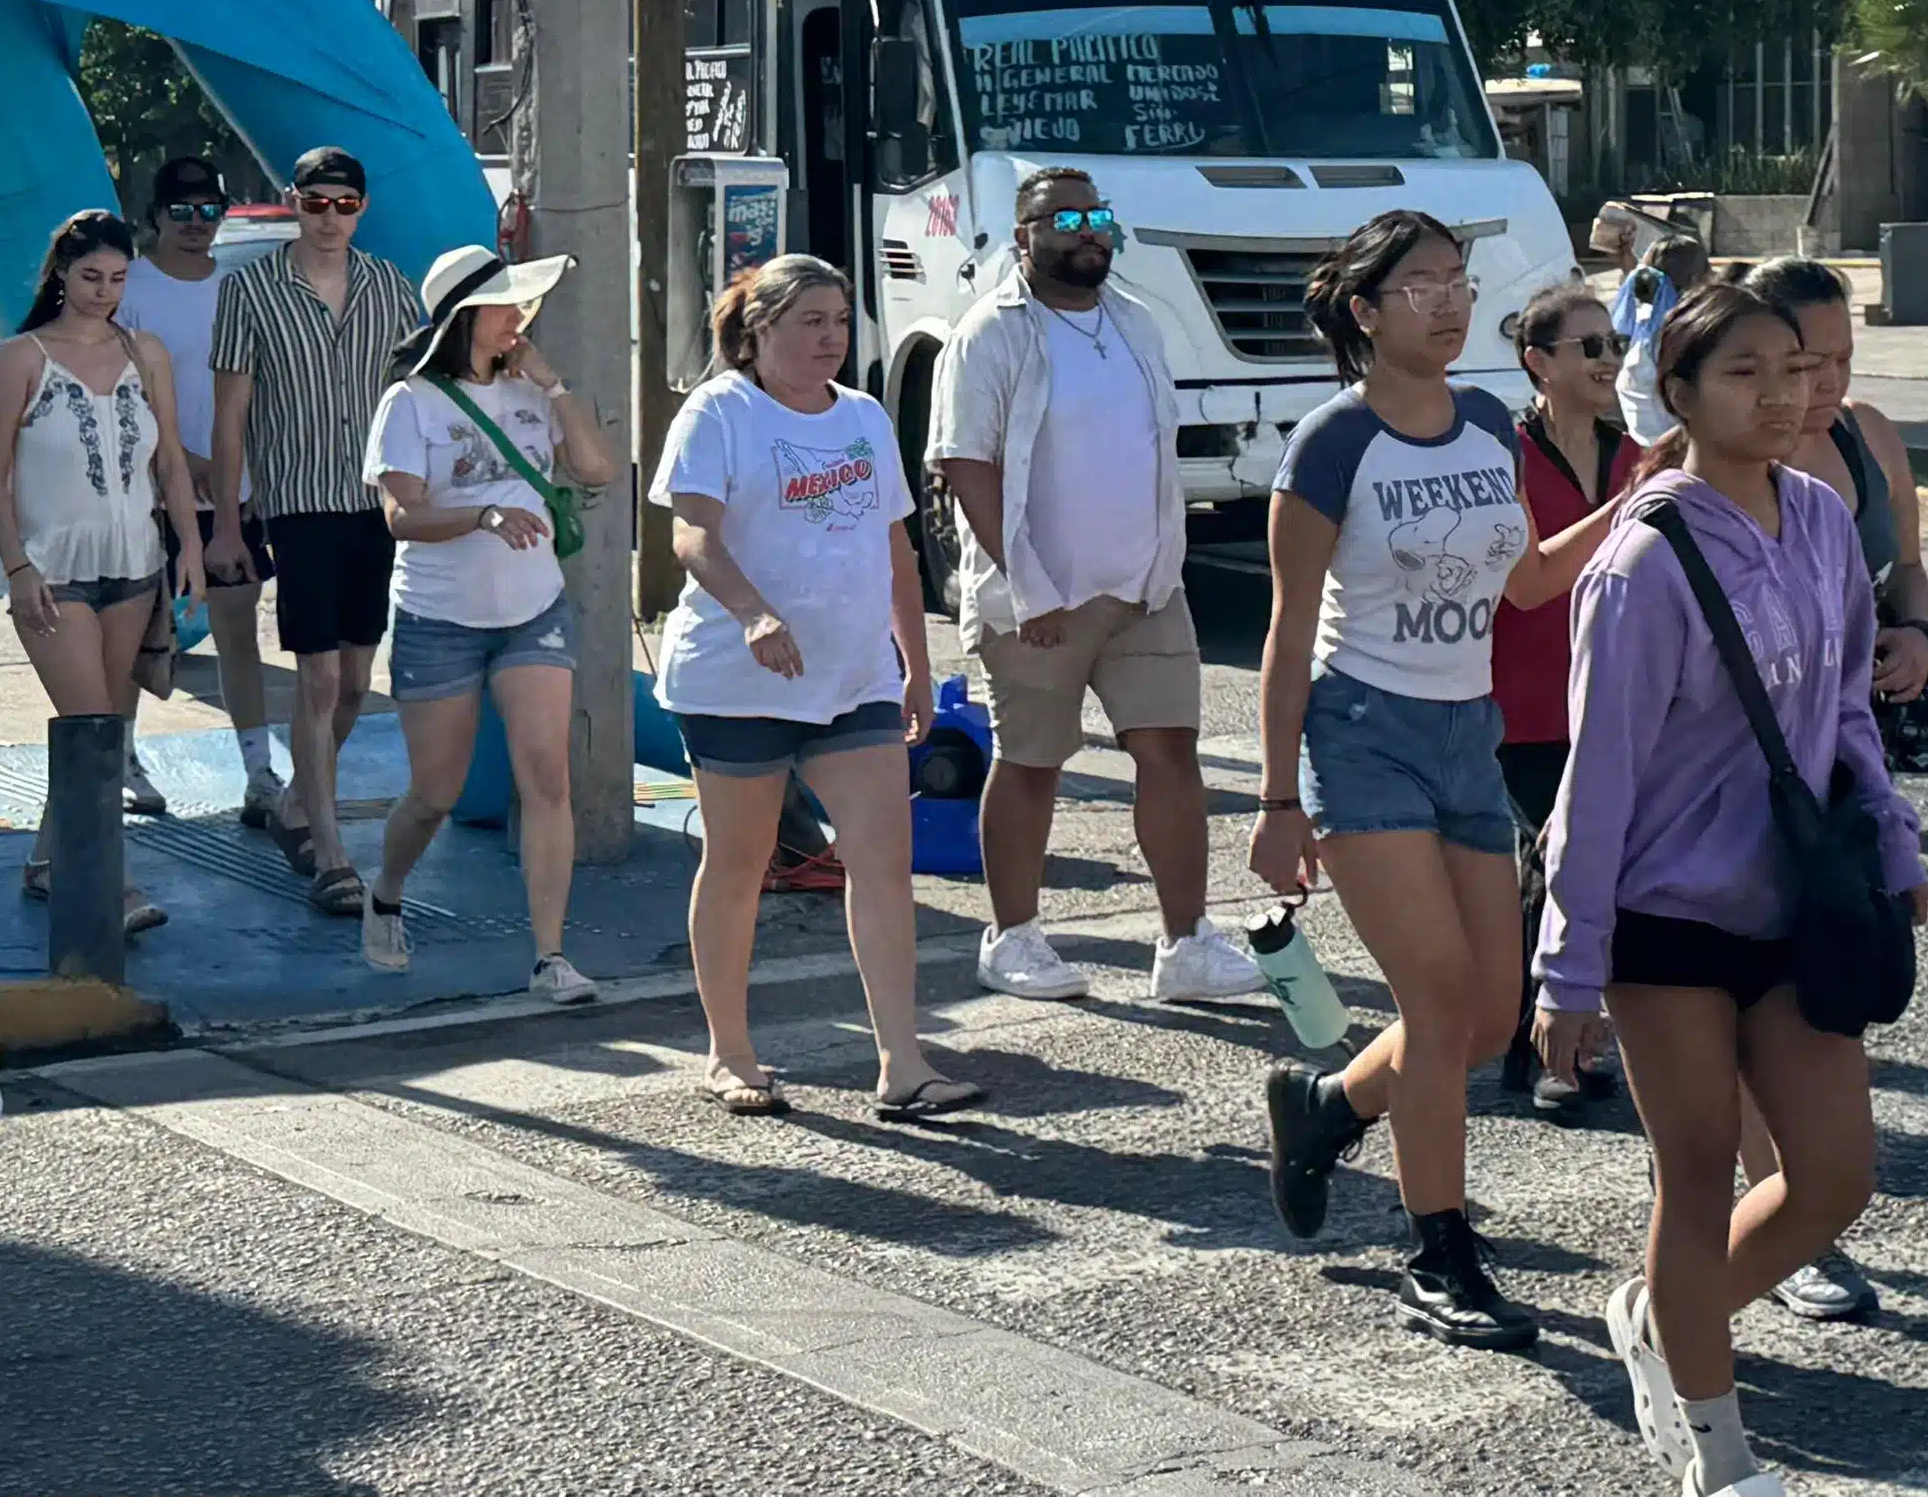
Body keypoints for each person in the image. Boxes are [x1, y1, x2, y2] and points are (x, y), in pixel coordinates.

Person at [1547, 280, 1928, 1497]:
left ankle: (1663, 1318)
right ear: (1677, 395)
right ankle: (1718, 1454)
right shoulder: (1641, 561)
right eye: (1745, 374)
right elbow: (1593, 778)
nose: (1783, 395)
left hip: (1795, 902)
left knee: (1831, 1177)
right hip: (1663, 915)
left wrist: (1892, 843)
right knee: (1697, 1167)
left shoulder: (1821, 518)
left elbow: (1841, 716)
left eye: (1798, 368)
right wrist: (1566, 970)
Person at [1251, 210, 1612, 1349]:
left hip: (1468, 730)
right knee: (1436, 995)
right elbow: (1284, 626)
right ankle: (1439, 1252)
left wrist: (1645, 502)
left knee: (1482, 1015)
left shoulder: (1488, 423)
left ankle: (1326, 1106)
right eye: (1419, 287)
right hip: (1361, 735)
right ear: (1365, 313)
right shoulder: (1329, 444)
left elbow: (1525, 584)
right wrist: (1272, 801)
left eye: (1457, 283)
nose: (1449, 304)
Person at [650, 255, 976, 1119]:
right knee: (742, 862)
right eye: (809, 322)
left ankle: (903, 1065)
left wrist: (916, 662)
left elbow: (897, 550)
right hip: (739, 678)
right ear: (758, 331)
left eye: (838, 320)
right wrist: (754, 613)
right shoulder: (721, 411)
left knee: (884, 863)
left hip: (854, 675)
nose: (829, 338)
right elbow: (690, 535)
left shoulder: (865, 416)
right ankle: (731, 1053)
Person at [927, 169, 1262, 1006]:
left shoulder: (1138, 323)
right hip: (1039, 601)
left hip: (1145, 587)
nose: (1089, 232)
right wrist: (1027, 587)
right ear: (1023, 235)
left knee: (1171, 753)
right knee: (1033, 763)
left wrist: (1163, 566)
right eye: (1066, 218)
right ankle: (1013, 938)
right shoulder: (991, 334)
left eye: (1100, 216)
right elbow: (966, 463)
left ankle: (1186, 944)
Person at [1734, 256, 1928, 1315]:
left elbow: (1903, 564)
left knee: (1825, 973)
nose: (1821, 383)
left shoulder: (1863, 437)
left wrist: (1914, 634)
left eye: (1839, 359)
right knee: (1743, 981)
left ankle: (1796, 1193)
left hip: (1841, 748)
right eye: (1801, 361)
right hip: (1739, 761)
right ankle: (1772, 1211)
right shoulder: (1722, 460)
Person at [360, 244, 624, 1003]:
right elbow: (400, 515)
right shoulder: (411, 402)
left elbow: (600, 469)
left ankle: (550, 957)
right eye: (508, 306)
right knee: (433, 795)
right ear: (466, 316)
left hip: (533, 613)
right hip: (439, 618)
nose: (521, 320)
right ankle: (387, 891)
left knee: (546, 777)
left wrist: (559, 387)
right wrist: (483, 512)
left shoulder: (534, 392)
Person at [0, 212, 203, 933]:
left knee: (106, 724)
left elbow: (169, 458)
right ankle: (114, 881)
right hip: (52, 567)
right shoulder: (20, 358)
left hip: (133, 561)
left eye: (117, 278)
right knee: (91, 726)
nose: (104, 292)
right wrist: (16, 565)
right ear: (61, 276)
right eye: (90, 277)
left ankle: (49, 860)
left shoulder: (146, 352)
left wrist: (190, 544)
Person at [210, 147, 424, 911]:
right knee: (318, 677)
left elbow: (420, 390)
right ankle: (331, 853)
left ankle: (300, 801)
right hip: (297, 504)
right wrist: (229, 524)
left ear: (362, 208)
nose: (329, 218)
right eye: (316, 202)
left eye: (344, 204)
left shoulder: (392, 287)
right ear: (290, 200)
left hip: (374, 503)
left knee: (359, 684)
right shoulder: (249, 291)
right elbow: (231, 411)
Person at [1493, 279, 1641, 1118]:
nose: (1607, 361)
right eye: (1589, 347)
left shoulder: (1631, 454)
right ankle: (1548, 1049)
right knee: (1549, 875)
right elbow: (1525, 585)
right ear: (1538, 362)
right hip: (1522, 704)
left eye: (1614, 345)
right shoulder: (1504, 455)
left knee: (1607, 874)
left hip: (1614, 700)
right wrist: (1629, 508)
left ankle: (1572, 1038)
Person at [121, 157, 280, 825]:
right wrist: (182, 459)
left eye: (209, 212)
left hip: (231, 494)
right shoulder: (127, 287)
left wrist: (248, 473)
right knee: (131, 635)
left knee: (239, 630)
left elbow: (266, 392)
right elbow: (120, 394)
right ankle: (122, 757)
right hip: (144, 494)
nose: (195, 226)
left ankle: (258, 769)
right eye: (181, 212)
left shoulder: (244, 289)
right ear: (154, 217)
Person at [1608, 234, 1706, 446]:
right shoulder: (1689, 343)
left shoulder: (1635, 333)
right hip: (1680, 456)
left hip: (1643, 455)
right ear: (1695, 282)